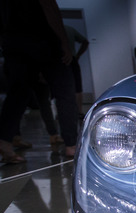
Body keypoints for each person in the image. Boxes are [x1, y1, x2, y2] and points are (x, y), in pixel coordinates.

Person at [0, 0, 80, 163]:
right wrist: (63, 42)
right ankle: (71, 144)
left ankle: (5, 142)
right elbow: (48, 5)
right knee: (64, 91)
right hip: (43, 39)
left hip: (13, 41)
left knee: (18, 93)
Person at [65, 24, 89, 116]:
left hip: (59, 60)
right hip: (72, 59)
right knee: (77, 87)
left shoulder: (52, 28)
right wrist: (78, 55)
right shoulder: (70, 29)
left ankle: (63, 112)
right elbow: (85, 42)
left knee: (60, 87)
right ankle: (79, 111)